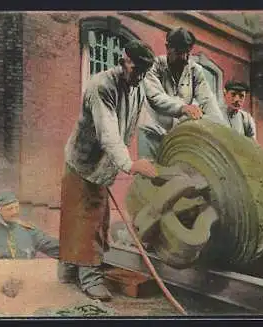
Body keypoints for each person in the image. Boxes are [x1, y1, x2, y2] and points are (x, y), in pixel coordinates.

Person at [59, 39, 158, 301]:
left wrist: (182, 108)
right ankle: (89, 279)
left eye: (144, 73)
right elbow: (109, 134)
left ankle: (68, 270)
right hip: (83, 162)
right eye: (136, 70)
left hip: (102, 166)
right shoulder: (101, 86)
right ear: (124, 61)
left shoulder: (137, 83)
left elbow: (158, 100)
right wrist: (130, 164)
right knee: (85, 219)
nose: (140, 77)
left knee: (92, 218)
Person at [139, 27, 228, 160]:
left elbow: (207, 100)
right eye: (180, 53)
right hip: (153, 133)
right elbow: (155, 97)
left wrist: (221, 129)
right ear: (168, 48)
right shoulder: (154, 66)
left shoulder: (194, 70)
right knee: (150, 175)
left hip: (177, 136)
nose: (185, 58)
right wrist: (183, 108)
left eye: (188, 53)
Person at [0, 191, 60, 260]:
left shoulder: (30, 232)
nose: (15, 212)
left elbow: (57, 249)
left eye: (16, 207)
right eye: (9, 209)